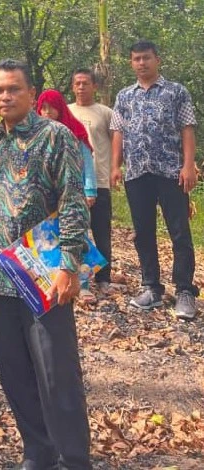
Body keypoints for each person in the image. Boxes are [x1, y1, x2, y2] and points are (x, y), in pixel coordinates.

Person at [0, 59, 92, 470]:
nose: (6, 96)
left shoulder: (54, 136)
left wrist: (69, 264)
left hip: (44, 274)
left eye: (14, 89)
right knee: (14, 371)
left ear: (31, 94)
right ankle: (39, 450)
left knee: (57, 373)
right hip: (1, 277)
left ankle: (73, 458)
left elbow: (72, 202)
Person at [110, 40, 199, 319]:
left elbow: (187, 129)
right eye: (136, 59)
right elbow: (118, 132)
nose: (141, 63)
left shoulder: (176, 92)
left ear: (157, 60)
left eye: (146, 58)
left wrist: (188, 166)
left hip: (171, 171)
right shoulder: (125, 96)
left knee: (179, 231)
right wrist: (115, 166)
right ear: (131, 63)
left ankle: (184, 290)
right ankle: (151, 287)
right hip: (137, 173)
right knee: (143, 232)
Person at [36, 89, 98, 303]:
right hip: (48, 196)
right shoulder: (36, 133)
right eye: (43, 108)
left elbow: (87, 163)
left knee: (77, 237)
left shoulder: (74, 131)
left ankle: (83, 283)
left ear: (60, 108)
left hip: (72, 193)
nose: (46, 112)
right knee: (50, 237)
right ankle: (50, 278)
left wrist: (89, 190)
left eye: (51, 108)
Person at [68, 68, 117, 297]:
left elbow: (117, 143)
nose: (81, 87)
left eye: (85, 83)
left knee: (101, 231)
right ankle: (77, 278)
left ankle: (104, 278)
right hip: (71, 183)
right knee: (74, 232)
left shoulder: (106, 113)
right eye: (77, 83)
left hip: (99, 181)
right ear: (72, 86)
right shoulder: (66, 112)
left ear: (94, 86)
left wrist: (114, 168)